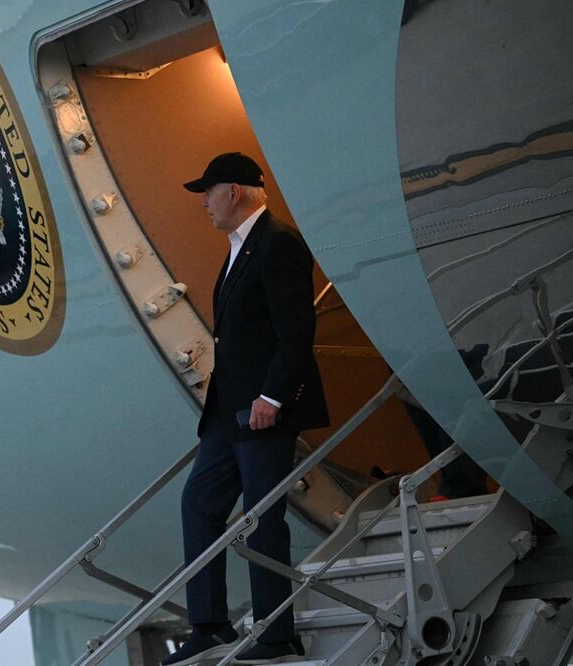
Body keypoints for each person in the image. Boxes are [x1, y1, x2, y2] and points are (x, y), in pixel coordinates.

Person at [163, 153, 329, 665]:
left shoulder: (278, 243)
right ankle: (209, 625)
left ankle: (277, 635)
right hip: (227, 414)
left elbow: (295, 329)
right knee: (199, 503)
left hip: (262, 412)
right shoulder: (241, 247)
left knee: (262, 519)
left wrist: (273, 397)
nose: (204, 205)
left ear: (232, 191)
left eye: (207, 193)